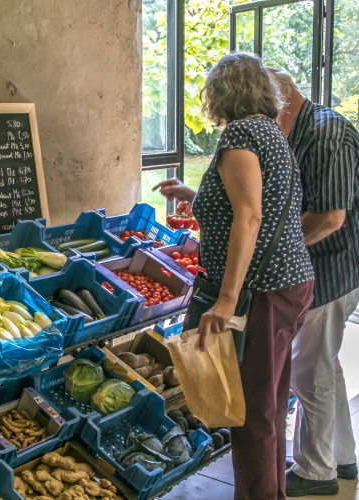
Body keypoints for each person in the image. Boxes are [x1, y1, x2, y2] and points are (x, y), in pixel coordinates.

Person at [153, 53, 315, 500]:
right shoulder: (272, 132)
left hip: (261, 290)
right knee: (269, 404)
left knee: (250, 414)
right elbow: (252, 202)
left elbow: (250, 215)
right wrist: (194, 194)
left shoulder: (241, 133)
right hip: (289, 283)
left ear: (222, 93)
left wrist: (226, 300)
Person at [268, 68, 359, 497]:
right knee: (325, 365)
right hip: (325, 268)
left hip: (331, 270)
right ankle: (342, 456)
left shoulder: (324, 134)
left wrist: (277, 250)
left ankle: (316, 471)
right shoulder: (302, 130)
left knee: (309, 372)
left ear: (281, 100)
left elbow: (330, 217)